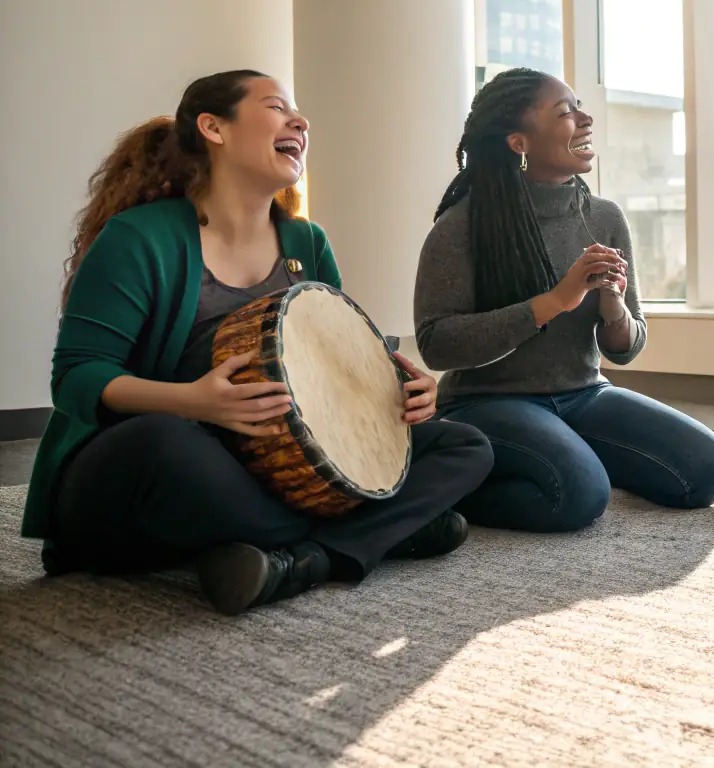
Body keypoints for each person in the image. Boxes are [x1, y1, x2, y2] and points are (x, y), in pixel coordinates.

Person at [22, 71, 495, 616]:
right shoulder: (137, 238)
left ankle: (305, 560)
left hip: (274, 468)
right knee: (164, 443)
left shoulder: (305, 241)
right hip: (148, 467)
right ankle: (384, 531)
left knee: (466, 446)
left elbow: (336, 356)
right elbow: (76, 377)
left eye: (298, 111)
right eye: (276, 107)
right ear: (213, 128)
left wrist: (399, 387)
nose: (301, 120)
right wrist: (194, 402)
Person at [414, 67, 714, 533]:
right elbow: (437, 344)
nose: (585, 119)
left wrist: (614, 306)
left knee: (706, 471)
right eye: (566, 112)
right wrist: (556, 300)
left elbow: (626, 347)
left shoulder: (603, 217)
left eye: (580, 107)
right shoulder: (461, 227)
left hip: (584, 393)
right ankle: (452, 483)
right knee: (578, 496)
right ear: (519, 143)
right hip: (487, 402)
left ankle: (566, 453)